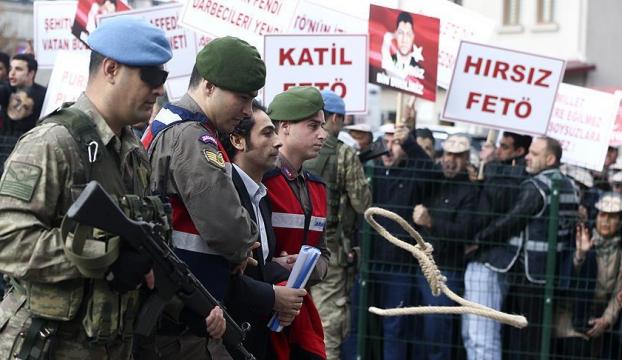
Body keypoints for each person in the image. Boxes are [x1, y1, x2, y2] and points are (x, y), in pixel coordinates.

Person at [0, 17, 224, 359]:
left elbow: (147, 254)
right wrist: (105, 258)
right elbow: (9, 240)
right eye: (151, 76)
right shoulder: (53, 143)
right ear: (111, 69)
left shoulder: (133, 153)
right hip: (49, 344)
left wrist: (183, 306)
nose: (160, 89)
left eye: (163, 78)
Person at [143, 36, 264, 359]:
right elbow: (227, 228)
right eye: (242, 98)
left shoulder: (172, 122)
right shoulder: (193, 137)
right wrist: (243, 245)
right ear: (209, 87)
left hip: (184, 308)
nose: (248, 111)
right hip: (184, 323)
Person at [467, 136, 579, 360]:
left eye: (534, 154)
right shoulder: (572, 186)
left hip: (527, 272)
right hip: (550, 270)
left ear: (550, 159)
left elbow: (511, 221)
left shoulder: (536, 187)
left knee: (523, 340)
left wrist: (478, 239)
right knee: (537, 338)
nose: (527, 156)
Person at [220, 101, 307, 360]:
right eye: (267, 133)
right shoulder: (225, 192)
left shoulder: (260, 194)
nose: (278, 142)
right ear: (238, 140)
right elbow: (218, 275)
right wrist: (272, 296)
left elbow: (253, 265)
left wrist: (278, 267)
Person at [304, 90, 371, 360]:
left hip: (292, 248)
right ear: (334, 118)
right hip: (330, 250)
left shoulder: (292, 147)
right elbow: (363, 204)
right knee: (328, 323)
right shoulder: (344, 155)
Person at [263, 86, 330, 359]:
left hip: (299, 312)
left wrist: (305, 271)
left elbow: (325, 254)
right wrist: (277, 272)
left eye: (323, 126)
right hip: (262, 309)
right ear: (285, 127)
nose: (323, 135)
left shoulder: (317, 187)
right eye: (313, 126)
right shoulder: (261, 180)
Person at [412, 134, 478, 360]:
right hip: (422, 264)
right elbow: (418, 163)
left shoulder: (471, 190)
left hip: (446, 269)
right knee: (419, 330)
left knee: (437, 330)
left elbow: (464, 232)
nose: (451, 160)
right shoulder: (435, 180)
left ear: (467, 158)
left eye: (458, 156)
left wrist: (431, 222)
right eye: (449, 153)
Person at [554, 192, 622, 359]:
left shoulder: (619, 252)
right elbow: (567, 280)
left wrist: (605, 320)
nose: (606, 221)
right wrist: (580, 255)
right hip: (570, 317)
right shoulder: (581, 237)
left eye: (612, 217)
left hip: (600, 320)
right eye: (602, 215)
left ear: (620, 223)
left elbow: (618, 295)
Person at [1, 53, 47, 134]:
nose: (12, 73)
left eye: (18, 69)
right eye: (11, 68)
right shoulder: (6, 90)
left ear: (31, 73)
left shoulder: (44, 95)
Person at [381, 11, 425, 82]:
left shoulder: (419, 68)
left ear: (413, 36)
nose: (404, 40)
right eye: (401, 33)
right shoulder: (389, 61)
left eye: (408, 34)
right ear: (395, 34)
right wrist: (389, 36)